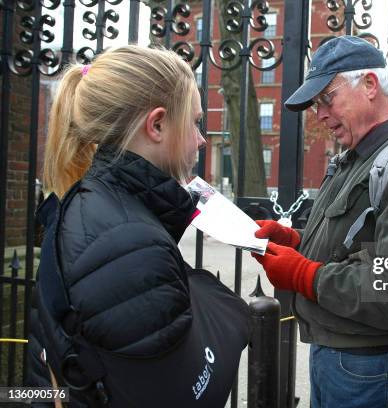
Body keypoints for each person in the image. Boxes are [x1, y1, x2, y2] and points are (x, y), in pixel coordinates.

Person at [27, 45, 250, 407]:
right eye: (194, 122)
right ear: (157, 124)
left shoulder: (98, 205)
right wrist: (226, 308)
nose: (201, 139)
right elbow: (191, 394)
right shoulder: (126, 239)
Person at [253, 35, 388, 408]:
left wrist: (304, 274)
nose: (319, 114)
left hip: (372, 366)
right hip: (339, 356)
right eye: (316, 104)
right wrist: (295, 242)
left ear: (370, 84)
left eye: (327, 98)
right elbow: (353, 242)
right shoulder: (357, 157)